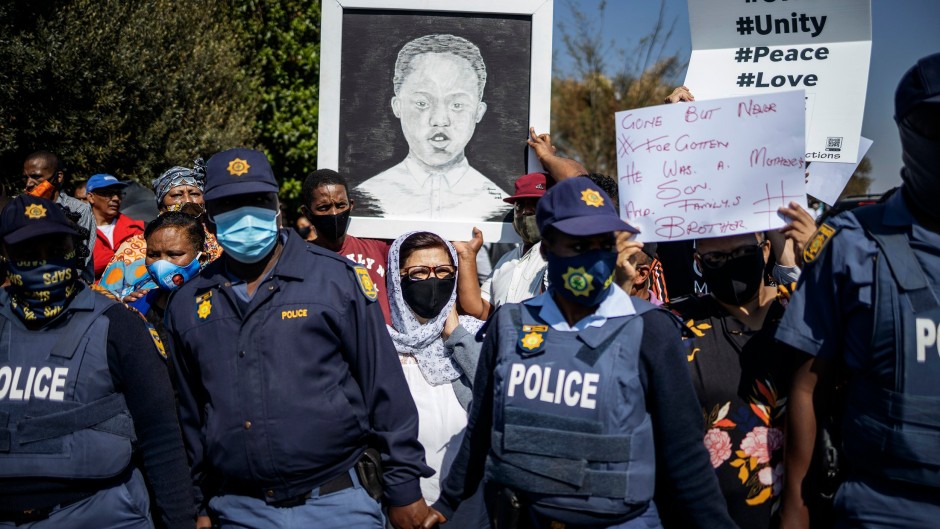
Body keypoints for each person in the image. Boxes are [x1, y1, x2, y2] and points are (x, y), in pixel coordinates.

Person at [423, 178, 738, 529]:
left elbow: (685, 456)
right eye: (577, 245)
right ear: (547, 249)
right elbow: (481, 427)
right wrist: (447, 501)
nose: (592, 258)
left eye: (603, 244)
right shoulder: (509, 325)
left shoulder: (650, 330)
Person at [165, 148, 435, 529]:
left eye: (257, 201)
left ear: (277, 205)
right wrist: (197, 504)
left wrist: (404, 487)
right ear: (209, 218)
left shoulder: (337, 280)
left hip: (339, 502)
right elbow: (188, 417)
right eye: (229, 204)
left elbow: (385, 390)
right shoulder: (187, 305)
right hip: (238, 510)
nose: (245, 216)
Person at [776, 52, 940, 529]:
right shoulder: (851, 244)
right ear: (908, 129)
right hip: (884, 508)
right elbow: (808, 385)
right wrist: (796, 510)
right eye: (935, 122)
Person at [0, 195, 194, 528]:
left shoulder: (118, 324)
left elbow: (161, 436)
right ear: (6, 255)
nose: (45, 262)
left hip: (99, 513)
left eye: (55, 247)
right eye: (30, 252)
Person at [661, 232, 801, 529]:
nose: (730, 264)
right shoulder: (676, 324)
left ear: (765, 251)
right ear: (698, 263)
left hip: (800, 510)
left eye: (741, 253)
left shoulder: (799, 312)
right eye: (715, 259)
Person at [387, 231, 489, 528]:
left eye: (444, 271)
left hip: (467, 501)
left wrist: (457, 337)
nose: (434, 280)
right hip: (404, 502)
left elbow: (496, 395)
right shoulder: (382, 342)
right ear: (398, 277)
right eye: (419, 272)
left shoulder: (475, 333)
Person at [352, 34, 511, 221]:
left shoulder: (500, 206)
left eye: (457, 105)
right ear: (398, 106)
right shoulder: (367, 197)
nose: (440, 119)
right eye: (422, 103)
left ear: (478, 112)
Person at [99, 161, 222, 300]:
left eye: (194, 193)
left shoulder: (221, 241)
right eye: (177, 195)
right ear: (161, 206)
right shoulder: (133, 248)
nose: (188, 201)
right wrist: (127, 300)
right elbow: (105, 298)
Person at [302, 169, 393, 324]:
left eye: (340, 205)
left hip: (381, 344)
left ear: (351, 205)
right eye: (324, 207)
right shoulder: (301, 257)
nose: (334, 213)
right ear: (307, 212)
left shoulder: (377, 246)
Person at [126, 211, 207, 345]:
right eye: (153, 254)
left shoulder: (217, 306)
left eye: (174, 254)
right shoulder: (137, 307)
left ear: (201, 259)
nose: (161, 264)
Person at [22, 150, 96, 280]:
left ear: (58, 177)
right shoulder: (20, 208)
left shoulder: (78, 210)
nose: (29, 184)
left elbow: (81, 259)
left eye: (36, 177)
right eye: (26, 177)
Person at [86, 173, 145, 280]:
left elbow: (143, 261)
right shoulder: (79, 231)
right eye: (109, 193)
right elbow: (83, 267)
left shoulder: (134, 228)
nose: (116, 198)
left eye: (119, 194)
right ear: (91, 197)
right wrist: (123, 256)